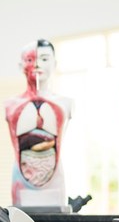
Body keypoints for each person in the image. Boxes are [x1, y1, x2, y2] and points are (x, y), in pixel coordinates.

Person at [5, 40, 73, 209]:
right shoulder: (10, 105)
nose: (37, 64)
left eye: (44, 59)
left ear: (54, 63)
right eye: (30, 59)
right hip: (21, 183)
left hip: (55, 183)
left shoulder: (66, 103)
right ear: (21, 65)